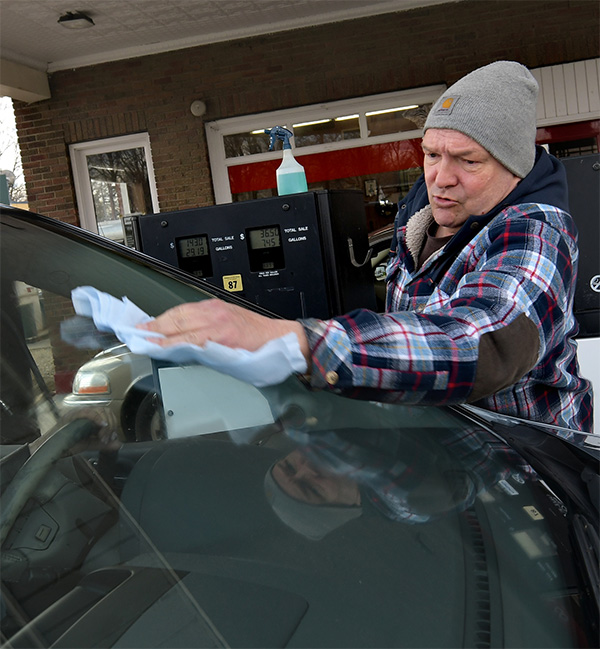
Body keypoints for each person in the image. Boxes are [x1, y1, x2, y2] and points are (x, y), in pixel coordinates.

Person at [138, 61, 593, 433]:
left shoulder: (534, 231)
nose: (441, 176)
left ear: (515, 169)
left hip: (530, 480)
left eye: (468, 161)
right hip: (447, 463)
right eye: (432, 154)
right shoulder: (420, 219)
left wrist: (301, 342)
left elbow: (479, 344)